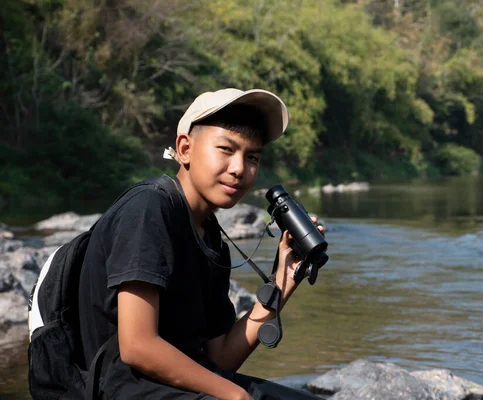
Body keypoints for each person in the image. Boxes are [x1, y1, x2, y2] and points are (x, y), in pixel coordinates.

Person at [78, 88, 324, 399]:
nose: (239, 168)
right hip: (123, 390)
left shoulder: (211, 237)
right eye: (226, 149)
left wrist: (282, 283)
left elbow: (219, 358)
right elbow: (137, 346)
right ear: (184, 149)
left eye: (252, 157)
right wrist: (234, 395)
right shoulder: (149, 208)